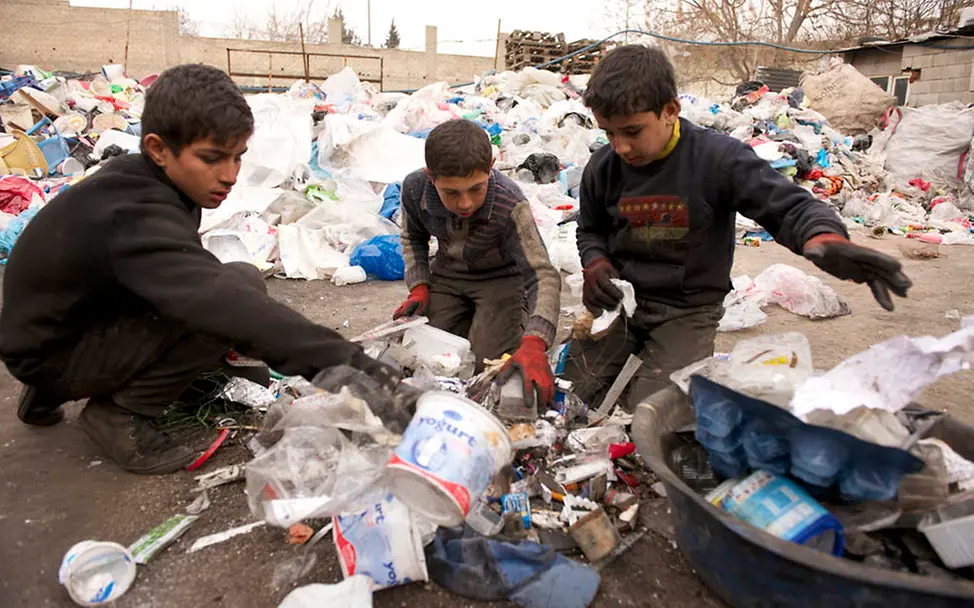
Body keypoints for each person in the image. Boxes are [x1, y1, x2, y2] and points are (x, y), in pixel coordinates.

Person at [0, 64, 413, 475]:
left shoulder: (138, 182)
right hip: (53, 352)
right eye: (212, 158)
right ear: (159, 148)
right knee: (227, 300)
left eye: (237, 157)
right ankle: (118, 413)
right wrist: (360, 372)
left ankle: (47, 392)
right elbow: (223, 304)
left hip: (45, 334)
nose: (230, 175)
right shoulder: (136, 213)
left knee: (230, 284)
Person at [562, 45, 912, 411]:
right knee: (569, 393)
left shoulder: (717, 159)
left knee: (652, 415)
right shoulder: (603, 168)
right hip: (620, 307)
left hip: (687, 313)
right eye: (609, 133)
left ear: (670, 110)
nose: (621, 147)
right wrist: (596, 262)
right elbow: (590, 229)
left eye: (632, 131)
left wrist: (823, 236)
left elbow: (787, 206)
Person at [395, 119, 562, 405]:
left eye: (476, 188)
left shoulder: (510, 203)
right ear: (429, 176)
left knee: (489, 368)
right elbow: (412, 237)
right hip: (447, 278)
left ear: (492, 166)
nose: (465, 204)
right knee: (422, 359)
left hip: (501, 281)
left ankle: (514, 317)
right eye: (451, 192)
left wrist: (536, 341)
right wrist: (420, 286)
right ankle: (469, 320)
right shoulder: (415, 189)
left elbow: (542, 274)